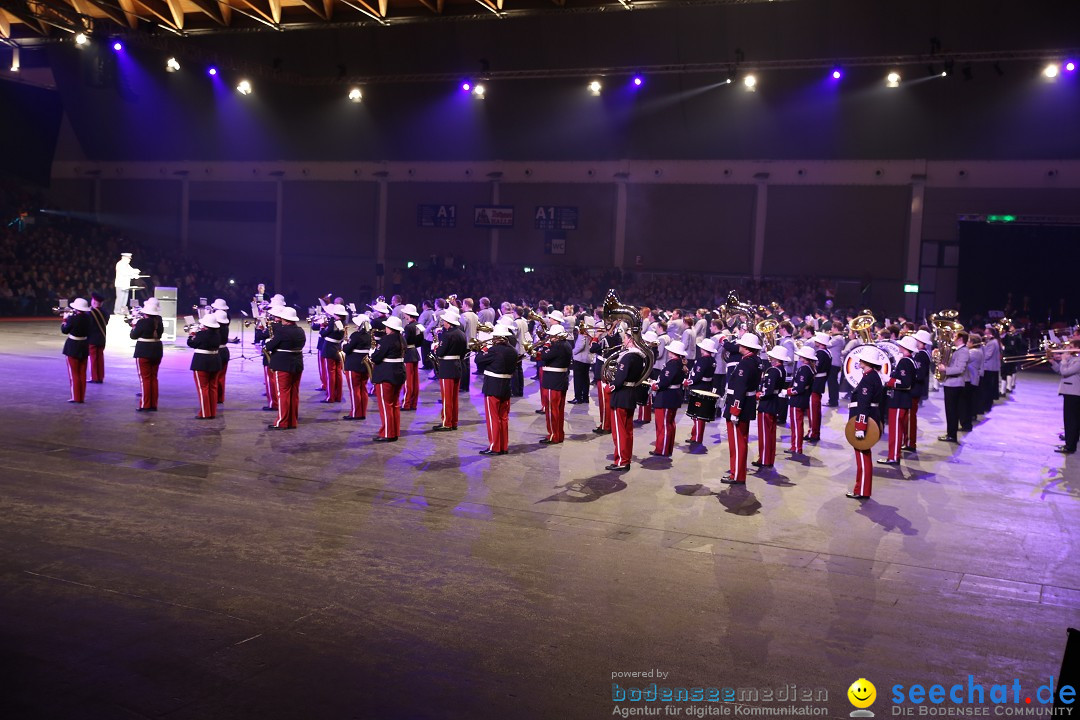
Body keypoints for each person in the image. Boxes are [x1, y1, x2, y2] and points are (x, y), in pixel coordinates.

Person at [721, 333, 763, 484]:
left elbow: (740, 387)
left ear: (746, 347)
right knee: (740, 441)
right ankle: (737, 473)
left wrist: (734, 410)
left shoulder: (746, 363)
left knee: (737, 443)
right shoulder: (755, 361)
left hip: (739, 405)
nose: (738, 346)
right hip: (747, 404)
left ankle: (737, 475)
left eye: (741, 344)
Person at [847, 358, 886, 500]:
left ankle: (862, 490)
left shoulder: (869, 379)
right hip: (872, 417)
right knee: (864, 455)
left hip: (865, 420)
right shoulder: (873, 376)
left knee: (863, 454)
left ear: (868, 362)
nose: (859, 361)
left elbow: (864, 404)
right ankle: (862, 488)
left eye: (862, 360)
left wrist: (860, 426)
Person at [475, 325, 518, 455]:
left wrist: (483, 349)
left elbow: (478, 360)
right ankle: (503, 446)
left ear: (497, 338)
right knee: (503, 417)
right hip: (506, 386)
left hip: (493, 386)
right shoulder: (512, 350)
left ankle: (495, 446)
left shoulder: (494, 350)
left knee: (493, 417)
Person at [607, 335, 647, 472]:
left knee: (619, 432)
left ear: (631, 340)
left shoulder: (628, 357)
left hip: (621, 395)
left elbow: (619, 379)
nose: (623, 341)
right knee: (628, 431)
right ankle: (626, 459)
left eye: (625, 338)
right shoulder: (641, 357)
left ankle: (621, 461)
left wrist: (610, 386)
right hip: (630, 394)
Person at [878, 335, 919, 465]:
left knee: (895, 430)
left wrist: (888, 381)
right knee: (897, 429)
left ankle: (893, 457)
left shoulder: (905, 362)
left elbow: (905, 383)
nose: (899, 346)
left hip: (899, 400)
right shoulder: (909, 361)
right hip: (902, 400)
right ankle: (894, 455)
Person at [264, 306, 305, 429]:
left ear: (286, 319)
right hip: (297, 364)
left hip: (282, 364)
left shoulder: (282, 331)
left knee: (283, 394)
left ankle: (282, 421)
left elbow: (270, 346)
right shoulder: (300, 331)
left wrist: (268, 341)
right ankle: (292, 421)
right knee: (294, 393)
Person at [754, 345, 790, 469]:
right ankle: (768, 458)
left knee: (764, 433)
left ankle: (764, 459)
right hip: (774, 402)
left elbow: (768, 390)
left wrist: (759, 395)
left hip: (767, 404)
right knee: (770, 432)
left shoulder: (773, 371)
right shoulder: (782, 370)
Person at [371, 315, 406, 442]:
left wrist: (372, 353)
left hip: (386, 374)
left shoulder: (386, 340)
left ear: (390, 328)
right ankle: (394, 431)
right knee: (394, 404)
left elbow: (376, 357)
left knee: (385, 405)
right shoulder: (402, 339)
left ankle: (387, 433)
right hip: (399, 373)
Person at [650, 339, 687, 457]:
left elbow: (665, 381)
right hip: (674, 395)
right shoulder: (680, 363)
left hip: (667, 396)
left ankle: (662, 449)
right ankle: (667, 447)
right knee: (670, 423)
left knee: (663, 424)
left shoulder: (673, 364)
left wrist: (656, 386)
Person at [432, 309, 467, 431]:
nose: (443, 323)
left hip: (447, 367)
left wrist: (435, 348)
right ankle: (453, 421)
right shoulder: (462, 334)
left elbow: (440, 352)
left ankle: (446, 422)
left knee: (447, 397)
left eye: (444, 321)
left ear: (449, 322)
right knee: (454, 397)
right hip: (457, 365)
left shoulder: (447, 335)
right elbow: (463, 353)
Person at [538, 325, 573, 445]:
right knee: (559, 410)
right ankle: (558, 434)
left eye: (552, 336)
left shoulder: (557, 346)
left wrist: (545, 346)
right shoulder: (566, 345)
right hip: (561, 380)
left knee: (551, 410)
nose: (550, 338)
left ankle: (553, 435)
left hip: (552, 380)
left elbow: (543, 356)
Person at [130, 297, 164, 411]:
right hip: (157, 349)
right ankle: (153, 404)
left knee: (145, 379)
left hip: (144, 350)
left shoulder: (142, 322)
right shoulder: (159, 321)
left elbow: (133, 336)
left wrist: (133, 327)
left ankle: (145, 404)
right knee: (153, 378)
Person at [1049, 335, 1080, 454]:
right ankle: (1070, 443)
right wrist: (1052, 362)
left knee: (1071, 421)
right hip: (1070, 392)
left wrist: (1063, 359)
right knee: (1071, 420)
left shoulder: (1078, 361)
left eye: (1071, 347)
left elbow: (1065, 371)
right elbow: (1060, 371)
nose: (1068, 348)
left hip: (1074, 393)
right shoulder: (1074, 359)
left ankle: (1070, 446)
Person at [904, 329, 934, 452]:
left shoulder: (922, 355)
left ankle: (911, 443)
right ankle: (908, 441)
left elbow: (920, 374)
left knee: (911, 417)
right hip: (915, 388)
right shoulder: (922, 353)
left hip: (915, 389)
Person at [938, 330, 970, 443]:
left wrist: (945, 369)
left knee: (952, 410)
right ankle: (950, 433)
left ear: (961, 339)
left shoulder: (964, 351)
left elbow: (960, 369)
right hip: (951, 383)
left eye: (955, 336)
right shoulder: (958, 350)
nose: (953, 338)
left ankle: (951, 435)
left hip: (955, 384)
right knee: (950, 410)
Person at [188, 313, 222, 419]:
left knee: (203, 388)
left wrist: (191, 335)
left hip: (201, 362)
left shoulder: (201, 334)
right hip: (215, 361)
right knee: (213, 387)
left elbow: (191, 344)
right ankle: (212, 412)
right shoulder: (217, 334)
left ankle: (204, 413)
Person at [785, 346, 818, 455]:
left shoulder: (805, 369)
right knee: (796, 424)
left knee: (796, 425)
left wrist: (788, 392)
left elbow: (799, 387)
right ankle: (795, 446)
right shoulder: (809, 368)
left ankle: (796, 447)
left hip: (797, 399)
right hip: (801, 399)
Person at [342, 313, 373, 421]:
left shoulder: (356, 335)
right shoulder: (369, 335)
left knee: (354, 390)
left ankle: (355, 413)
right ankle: (362, 412)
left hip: (353, 364)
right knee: (363, 389)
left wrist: (344, 345)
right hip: (364, 365)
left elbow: (347, 349)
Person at [686, 337, 717, 445]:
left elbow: (697, 375)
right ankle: (695, 435)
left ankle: (697, 437)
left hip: (699, 387)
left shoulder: (702, 360)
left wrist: (688, 382)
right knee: (699, 414)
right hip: (707, 386)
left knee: (698, 415)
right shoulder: (713, 360)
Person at [591, 327, 622, 435]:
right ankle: (606, 423)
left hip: (604, 373)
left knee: (605, 402)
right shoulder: (617, 339)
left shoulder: (608, 340)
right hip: (608, 372)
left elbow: (593, 349)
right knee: (606, 402)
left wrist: (596, 337)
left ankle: (606, 425)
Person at [60, 298, 92, 403]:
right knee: (82, 373)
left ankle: (76, 397)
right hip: (84, 345)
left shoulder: (72, 319)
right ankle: (81, 397)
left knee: (74, 374)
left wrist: (65, 319)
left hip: (73, 345)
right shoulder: (89, 318)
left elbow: (64, 330)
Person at [319, 304, 347, 404]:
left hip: (329, 349)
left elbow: (323, 334)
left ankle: (330, 396)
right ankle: (338, 395)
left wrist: (322, 327)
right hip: (338, 348)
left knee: (330, 373)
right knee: (338, 373)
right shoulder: (343, 322)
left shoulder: (333, 323)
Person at [807, 331, 832, 442]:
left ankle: (813, 433)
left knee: (813, 409)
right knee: (815, 409)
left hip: (816, 382)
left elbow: (816, 368)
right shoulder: (827, 352)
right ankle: (813, 431)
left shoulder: (820, 353)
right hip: (820, 381)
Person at [401, 304, 424, 410]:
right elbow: (420, 341)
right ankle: (413, 403)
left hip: (408, 353)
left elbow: (404, 342)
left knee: (408, 380)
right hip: (415, 352)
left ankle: (406, 403)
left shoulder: (408, 327)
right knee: (415, 380)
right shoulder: (419, 325)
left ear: (407, 314)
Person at [569, 318, 594, 405]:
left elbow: (580, 346)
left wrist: (572, 352)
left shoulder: (583, 333)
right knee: (585, 379)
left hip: (580, 359)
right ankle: (585, 397)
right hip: (587, 359)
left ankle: (578, 398)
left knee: (578, 379)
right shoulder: (592, 333)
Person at [87, 292, 110, 383]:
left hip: (93, 338)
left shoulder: (91, 313)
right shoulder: (105, 312)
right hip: (102, 337)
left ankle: (95, 378)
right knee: (100, 358)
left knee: (93, 359)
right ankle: (100, 377)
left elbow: (89, 325)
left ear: (94, 302)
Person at [212, 305, 231, 404]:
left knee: (215, 377)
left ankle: (215, 397)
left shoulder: (216, 329)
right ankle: (220, 398)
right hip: (225, 351)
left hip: (217, 352)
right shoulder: (225, 327)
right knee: (222, 377)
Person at [981, 326, 1002, 414]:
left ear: (991, 334)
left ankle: (987, 405)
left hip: (989, 368)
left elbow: (988, 355)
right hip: (991, 367)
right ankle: (987, 403)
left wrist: (979, 357)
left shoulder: (992, 343)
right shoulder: (993, 342)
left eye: (986, 333)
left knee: (987, 388)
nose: (985, 335)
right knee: (989, 387)